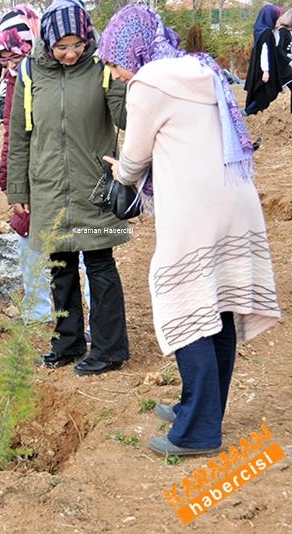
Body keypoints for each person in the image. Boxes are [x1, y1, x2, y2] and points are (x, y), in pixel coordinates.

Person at [98, 4, 280, 455]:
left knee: (185, 302)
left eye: (115, 63)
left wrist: (121, 174)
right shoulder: (201, 67)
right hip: (235, 198)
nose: (117, 75)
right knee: (216, 303)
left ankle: (198, 433)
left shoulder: (148, 85)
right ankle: (199, 409)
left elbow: (137, 156)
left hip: (196, 209)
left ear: (133, 51)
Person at [7, 0, 129, 376]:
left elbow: (125, 118)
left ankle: (109, 349)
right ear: (47, 41)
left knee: (99, 264)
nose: (71, 53)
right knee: (60, 266)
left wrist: (131, 80)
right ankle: (68, 342)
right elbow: (19, 135)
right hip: (47, 186)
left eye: (78, 44)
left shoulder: (101, 68)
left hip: (94, 187)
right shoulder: (30, 72)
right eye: (62, 47)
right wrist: (18, 189)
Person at [0, 5, 53, 323]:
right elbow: (10, 135)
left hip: (47, 175)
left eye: (13, 52)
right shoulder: (15, 76)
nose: (8, 61)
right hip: (28, 175)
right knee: (29, 238)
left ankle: (66, 307)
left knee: (77, 241)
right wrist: (9, 179)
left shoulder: (42, 78)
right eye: (2, 55)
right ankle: (39, 308)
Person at [243, 4, 292, 115]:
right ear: (271, 17)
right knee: (266, 92)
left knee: (264, 92)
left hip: (260, 68)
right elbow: (264, 52)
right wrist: (265, 71)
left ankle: (250, 111)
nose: (279, 20)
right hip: (265, 69)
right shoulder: (267, 33)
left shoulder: (261, 30)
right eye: (277, 17)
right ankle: (247, 111)